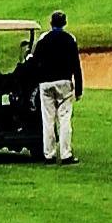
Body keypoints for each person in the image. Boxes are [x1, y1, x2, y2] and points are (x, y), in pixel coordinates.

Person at [29, 10, 84, 165]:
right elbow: (76, 65)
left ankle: (49, 154)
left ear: (51, 23)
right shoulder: (70, 39)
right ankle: (65, 154)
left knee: (48, 120)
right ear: (64, 23)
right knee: (64, 119)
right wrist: (79, 88)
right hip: (64, 83)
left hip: (46, 84)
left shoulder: (43, 39)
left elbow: (34, 62)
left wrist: (35, 81)